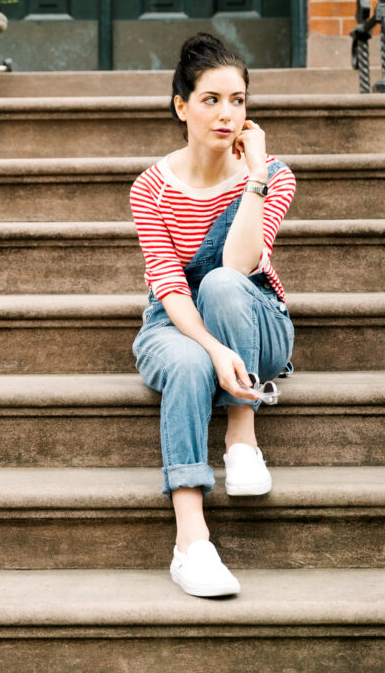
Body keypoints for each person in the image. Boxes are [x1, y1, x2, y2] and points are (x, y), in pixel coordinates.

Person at [129, 32, 296, 598]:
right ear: (182, 106)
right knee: (188, 365)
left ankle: (242, 439)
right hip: (175, 320)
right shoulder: (151, 187)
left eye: (239, 101)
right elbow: (171, 287)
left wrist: (254, 179)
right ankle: (191, 543)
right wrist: (212, 348)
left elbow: (237, 264)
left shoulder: (274, 173)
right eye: (211, 100)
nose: (227, 114)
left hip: (257, 320)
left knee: (223, 282)